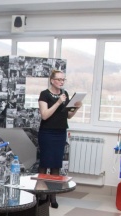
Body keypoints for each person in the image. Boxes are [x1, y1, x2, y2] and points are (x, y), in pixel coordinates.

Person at [38, 69, 82, 208]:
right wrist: (58, 102)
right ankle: (40, 195)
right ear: (52, 80)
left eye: (63, 79)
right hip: (47, 133)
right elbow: (44, 115)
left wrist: (76, 108)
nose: (61, 82)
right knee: (45, 164)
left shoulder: (65, 94)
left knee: (56, 165)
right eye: (59, 79)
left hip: (60, 132)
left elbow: (68, 115)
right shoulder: (44, 94)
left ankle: (53, 196)